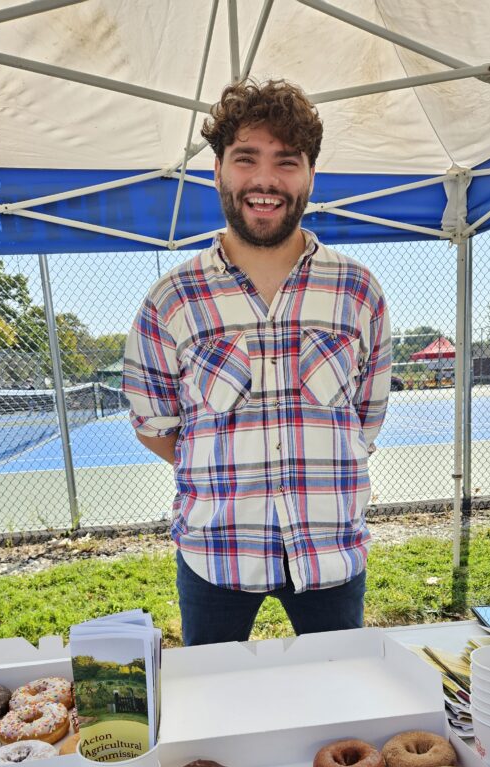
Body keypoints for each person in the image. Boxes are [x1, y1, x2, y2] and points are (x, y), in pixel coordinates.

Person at [123, 79, 391, 646]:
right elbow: (155, 425)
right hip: (215, 553)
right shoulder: (172, 299)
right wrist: (222, 468)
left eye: (286, 162)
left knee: (338, 710)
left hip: (329, 552)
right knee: (214, 717)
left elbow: (365, 418)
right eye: (246, 158)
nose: (266, 180)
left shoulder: (358, 291)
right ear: (218, 169)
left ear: (310, 176)